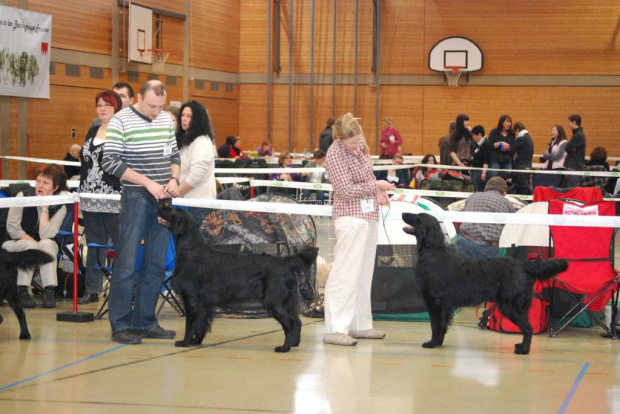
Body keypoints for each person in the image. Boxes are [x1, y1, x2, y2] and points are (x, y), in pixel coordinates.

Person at [102, 80, 180, 345]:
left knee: (156, 263)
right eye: (151, 106)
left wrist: (174, 179)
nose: (156, 112)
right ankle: (121, 325)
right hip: (135, 197)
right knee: (126, 263)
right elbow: (110, 162)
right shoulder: (121, 121)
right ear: (138, 97)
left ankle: (145, 321)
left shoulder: (166, 120)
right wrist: (147, 182)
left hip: (163, 198)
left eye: (160, 106)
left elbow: (174, 155)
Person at [323, 113, 395, 346]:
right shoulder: (335, 154)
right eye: (351, 143)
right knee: (345, 273)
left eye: (358, 140)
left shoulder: (361, 148)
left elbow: (366, 178)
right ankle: (335, 329)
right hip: (350, 217)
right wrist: (376, 185)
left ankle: (359, 325)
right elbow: (345, 190)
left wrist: (378, 191)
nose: (356, 145)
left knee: (363, 274)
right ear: (340, 139)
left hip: (368, 215)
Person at [77, 90, 123, 304]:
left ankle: (122, 289)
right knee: (94, 244)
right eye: (99, 105)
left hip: (113, 197)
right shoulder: (93, 130)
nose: (102, 108)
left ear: (116, 107)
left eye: (107, 104)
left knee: (120, 244)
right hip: (89, 196)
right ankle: (92, 289)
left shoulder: (122, 132)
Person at [2, 165, 68, 308]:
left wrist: (44, 209)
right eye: (38, 181)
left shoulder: (60, 206)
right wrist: (36, 247)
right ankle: (21, 290)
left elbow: (46, 234)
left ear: (55, 187)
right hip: (13, 243)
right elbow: (13, 228)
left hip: (41, 245)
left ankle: (49, 290)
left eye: (46, 183)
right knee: (31, 245)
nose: (40, 186)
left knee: (48, 244)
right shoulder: (23, 196)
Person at [170, 100, 217, 226]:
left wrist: (175, 193)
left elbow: (196, 176)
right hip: (187, 203)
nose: (184, 119)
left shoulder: (202, 142)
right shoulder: (187, 141)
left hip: (198, 205)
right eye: (182, 115)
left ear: (198, 119)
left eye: (189, 116)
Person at [457, 176, 515, 259]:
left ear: (485, 188)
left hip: (467, 242)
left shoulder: (472, 197)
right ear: (504, 193)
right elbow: (511, 228)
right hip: (491, 248)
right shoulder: (508, 204)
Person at [509, 122, 534, 194]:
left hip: (520, 167)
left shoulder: (520, 138)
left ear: (517, 130)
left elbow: (511, 152)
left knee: (518, 189)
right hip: (528, 166)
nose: (516, 135)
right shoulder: (529, 138)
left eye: (515, 132)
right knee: (525, 187)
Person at [488, 115, 515, 179]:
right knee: (495, 179)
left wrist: (508, 148)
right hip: (495, 160)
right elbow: (489, 145)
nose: (509, 123)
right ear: (502, 122)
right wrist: (499, 143)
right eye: (507, 121)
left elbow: (513, 147)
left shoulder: (512, 134)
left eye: (510, 122)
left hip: (507, 160)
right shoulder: (494, 132)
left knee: (508, 179)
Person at [565, 114, 587, 188]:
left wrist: (571, 148)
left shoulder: (578, 135)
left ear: (574, 122)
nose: (569, 125)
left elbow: (567, 148)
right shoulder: (577, 134)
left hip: (574, 166)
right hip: (574, 166)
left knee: (573, 189)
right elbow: (569, 148)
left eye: (569, 123)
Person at [470, 125, 492, 192]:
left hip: (480, 170)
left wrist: (483, 173)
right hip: (474, 169)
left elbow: (486, 160)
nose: (473, 137)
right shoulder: (476, 144)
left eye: (474, 135)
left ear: (479, 135)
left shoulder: (486, 144)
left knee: (480, 189)